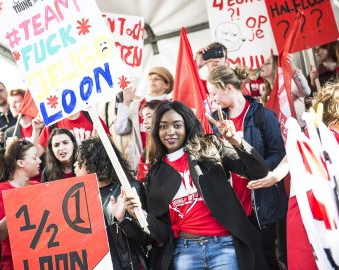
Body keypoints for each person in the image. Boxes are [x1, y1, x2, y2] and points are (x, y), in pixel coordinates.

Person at [124, 101, 269, 269]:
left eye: (177, 125)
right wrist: (138, 213)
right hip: (185, 253)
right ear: (157, 131)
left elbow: (259, 171)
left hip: (224, 247)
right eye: (163, 126)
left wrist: (235, 140)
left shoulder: (209, 147)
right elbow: (163, 233)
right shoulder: (155, 175)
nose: (170, 132)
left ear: (187, 125)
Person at [207, 66, 287, 269]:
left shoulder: (262, 115)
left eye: (214, 93)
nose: (213, 99)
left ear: (227, 87)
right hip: (236, 205)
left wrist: (255, 170)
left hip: (263, 202)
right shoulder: (217, 122)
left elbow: (278, 154)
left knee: (268, 258)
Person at [74, 137, 151, 269]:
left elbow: (146, 239)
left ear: (93, 162)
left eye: (79, 160)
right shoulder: (78, 197)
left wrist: (122, 221)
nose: (75, 164)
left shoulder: (129, 189)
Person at [0, 140, 41, 270]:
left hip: (40, 260)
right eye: (34, 157)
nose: (39, 161)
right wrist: (17, 205)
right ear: (20, 163)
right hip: (14, 264)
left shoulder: (39, 187)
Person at [115, 67, 174, 156]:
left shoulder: (172, 106)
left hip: (168, 158)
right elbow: (120, 129)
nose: (152, 82)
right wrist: (126, 103)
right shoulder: (137, 105)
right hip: (143, 160)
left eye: (157, 79)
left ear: (167, 85)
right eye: (150, 79)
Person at [260, 54, 311, 127]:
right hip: (281, 136)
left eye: (267, 63)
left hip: (300, 132)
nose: (262, 65)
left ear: (277, 67)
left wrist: (293, 69)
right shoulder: (265, 95)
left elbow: (306, 91)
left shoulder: (288, 84)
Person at [136, 100, 163, 182]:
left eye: (149, 116)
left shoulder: (174, 146)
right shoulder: (147, 150)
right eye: (143, 118)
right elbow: (141, 178)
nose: (145, 122)